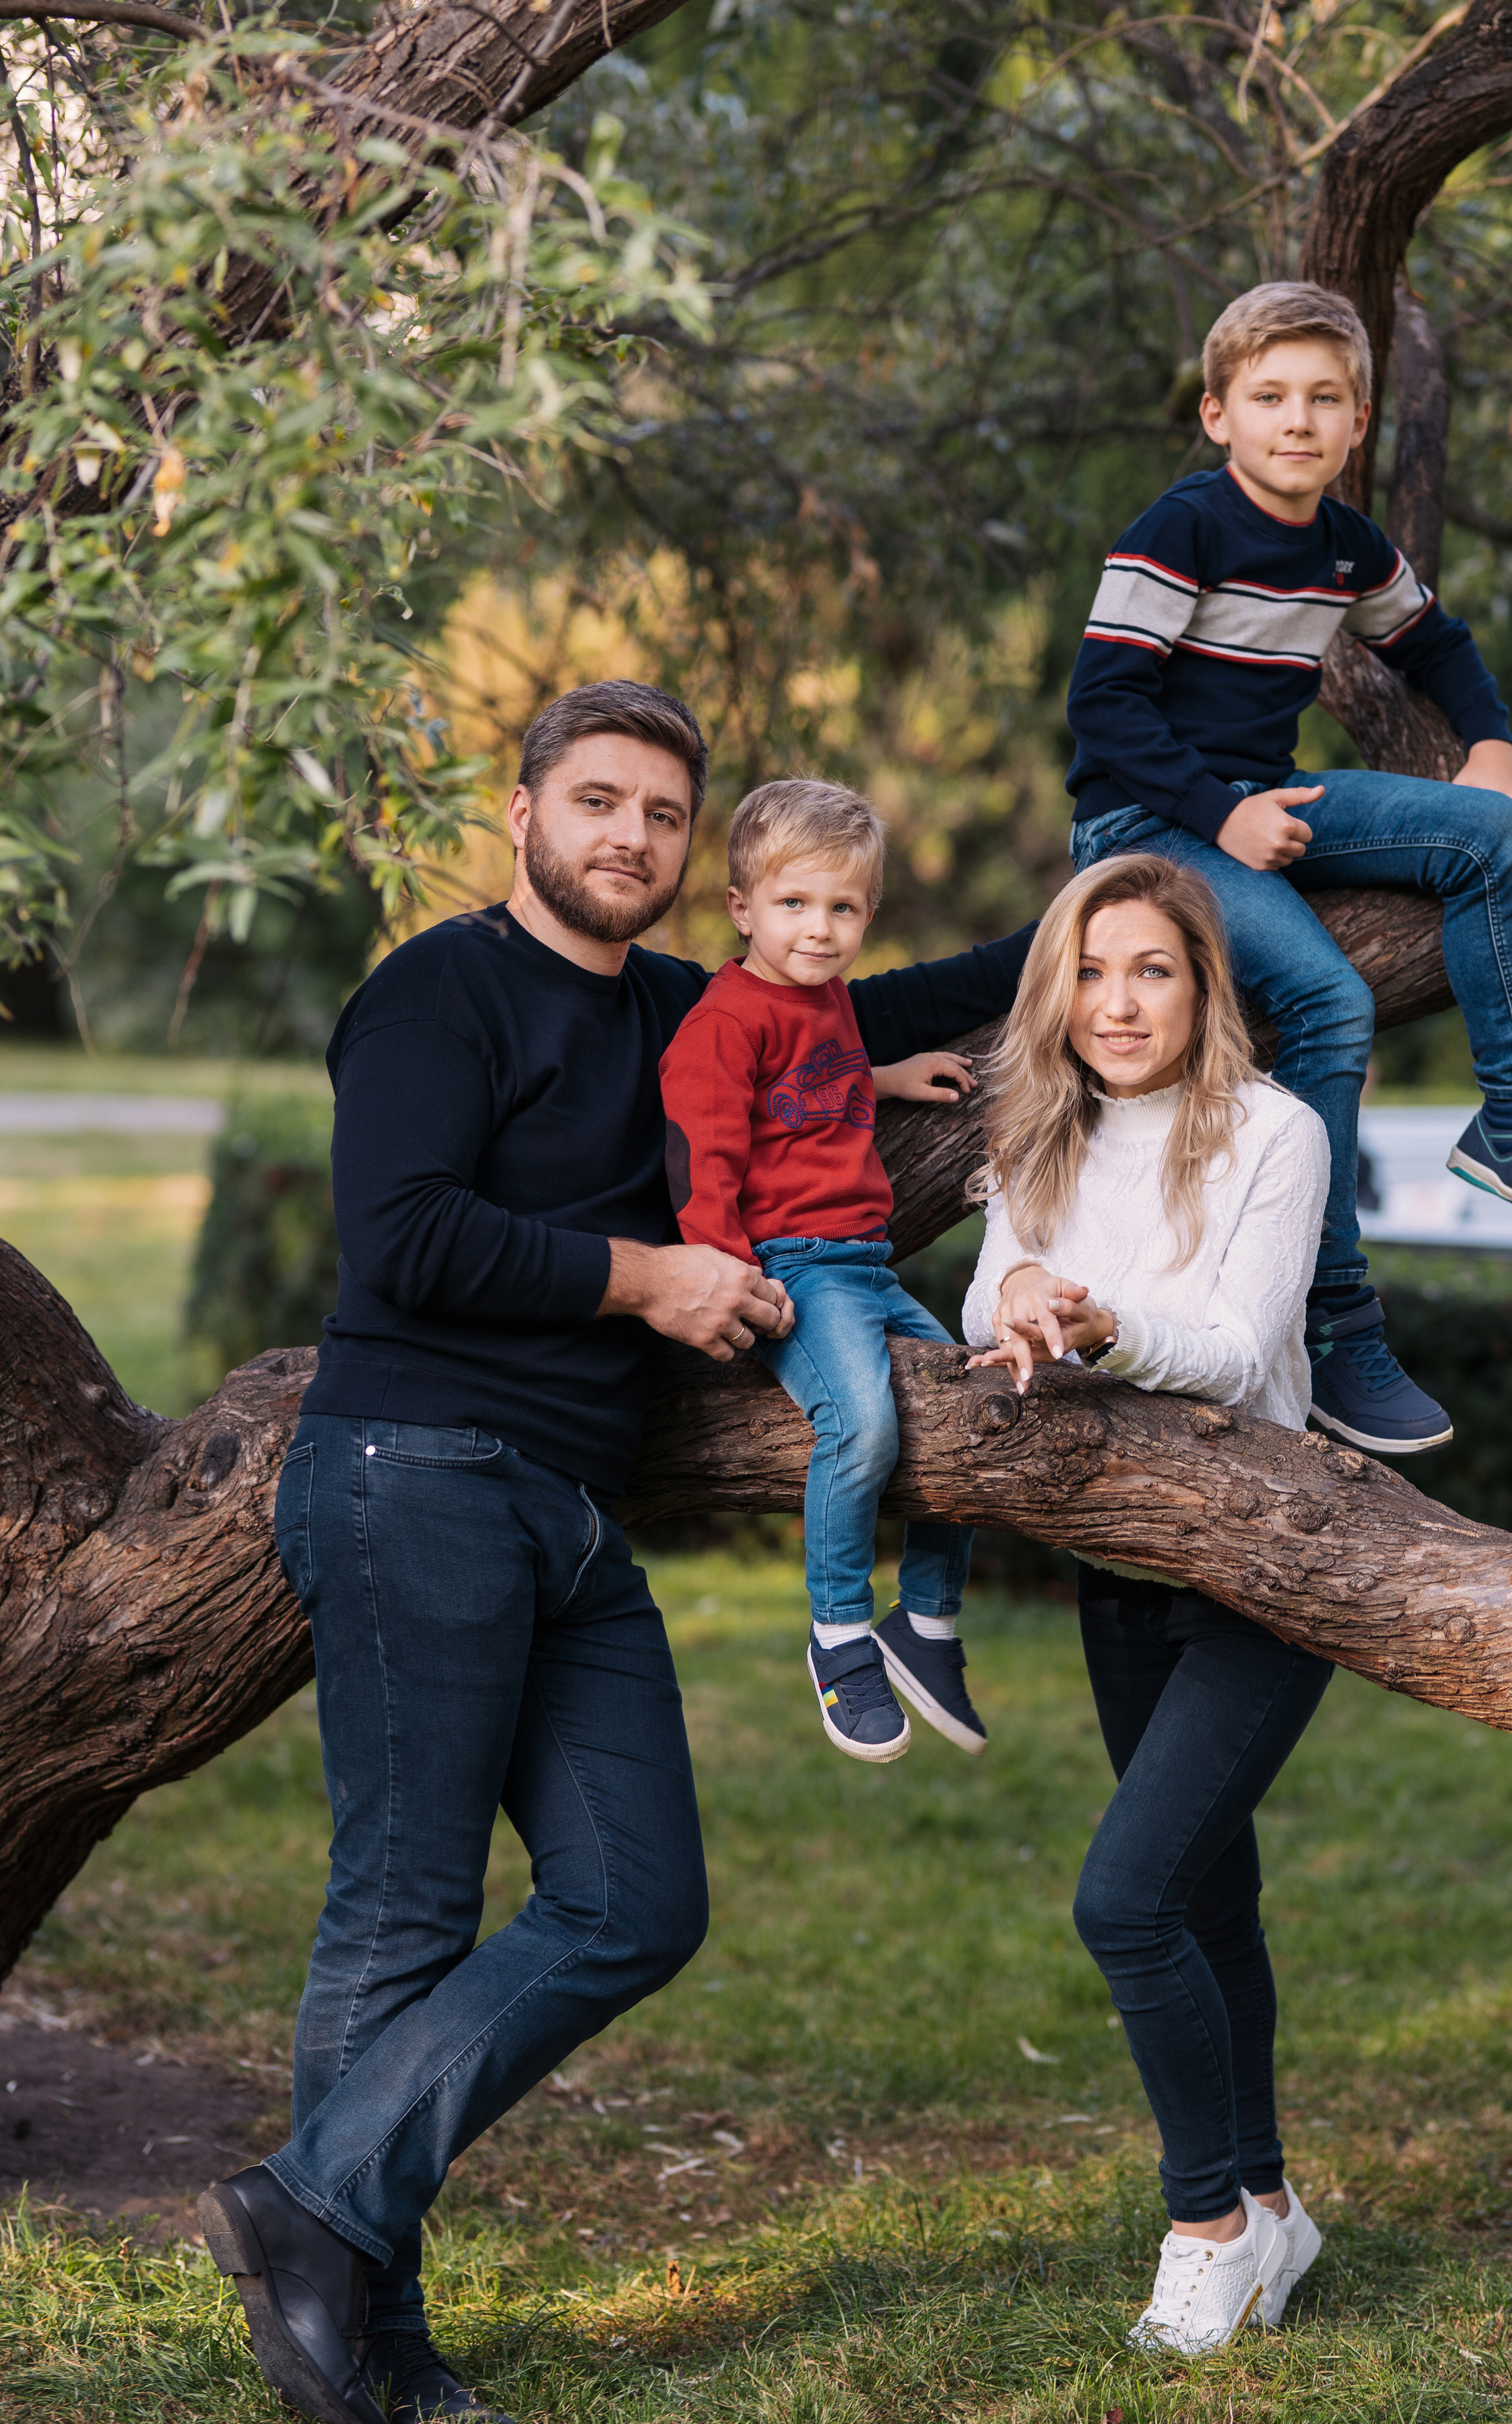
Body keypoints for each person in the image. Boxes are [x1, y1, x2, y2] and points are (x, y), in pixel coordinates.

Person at [197, 682, 1032, 2424]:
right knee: (406, 1908)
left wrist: (1128, 886)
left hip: (574, 1510)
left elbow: (878, 997)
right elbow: (405, 1234)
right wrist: (650, 1277)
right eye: (597, 800)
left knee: (635, 1898)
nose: (629, 836)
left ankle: (311, 2212)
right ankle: (364, 2333)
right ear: (523, 815)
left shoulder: (679, 1000)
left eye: (660, 812)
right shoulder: (435, 993)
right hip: (415, 1469)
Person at [1063, 279, 1512, 1460]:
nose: (1298, 419)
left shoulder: (1346, 546)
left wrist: (1493, 748)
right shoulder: (1180, 529)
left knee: (1484, 833)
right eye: (1270, 396)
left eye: (1325, 399)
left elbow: (1437, 644)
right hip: (1143, 826)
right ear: (1219, 414)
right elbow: (1104, 705)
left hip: (1259, 802)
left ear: (1359, 421)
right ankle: (1331, 1317)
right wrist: (1221, 815)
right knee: (1331, 997)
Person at [962, 851, 1332, 2358]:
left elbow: (1240, 1349)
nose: (1118, 1004)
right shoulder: (1037, 1131)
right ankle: (1273, 2205)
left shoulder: (1273, 1132)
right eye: (1092, 972)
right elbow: (991, 1291)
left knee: (1125, 1903)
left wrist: (1101, 1322)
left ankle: (1207, 2231)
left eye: (1151, 971)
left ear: (1201, 985)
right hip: (1117, 1568)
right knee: (1205, 1899)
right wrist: (1018, 1296)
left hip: (1263, 1569)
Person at [660, 778, 986, 1765]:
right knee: (863, 1426)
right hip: (796, 1273)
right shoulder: (725, 1023)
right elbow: (703, 1159)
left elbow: (812, 1090)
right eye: (794, 903)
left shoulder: (828, 998)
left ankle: (923, 1624)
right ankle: (839, 1633)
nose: (819, 929)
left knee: (975, 1407)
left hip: (868, 1263)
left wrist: (887, 1077)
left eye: (843, 908)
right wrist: (727, 1282)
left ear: (869, 913)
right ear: (742, 907)